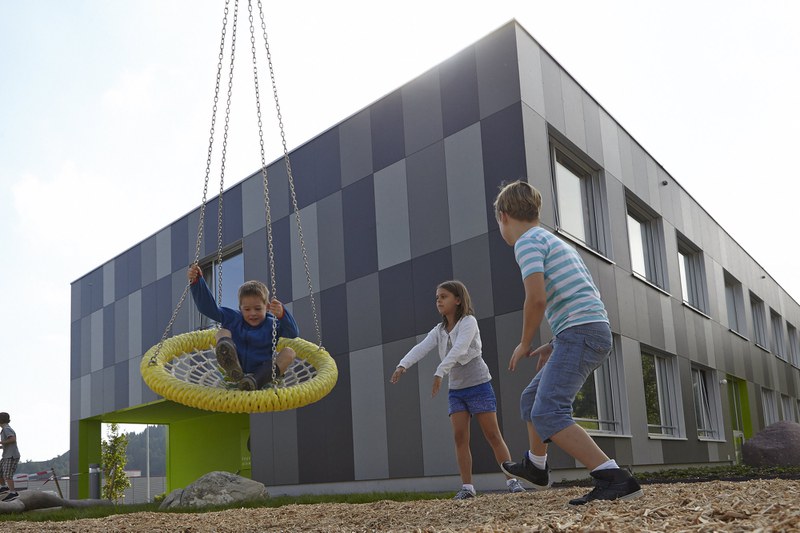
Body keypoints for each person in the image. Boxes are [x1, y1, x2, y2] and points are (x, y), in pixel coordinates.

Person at [493, 180, 643, 505]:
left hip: (581, 331)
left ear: (503, 217)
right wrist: (554, 341)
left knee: (549, 411)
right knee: (531, 399)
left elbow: (536, 299)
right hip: (581, 329)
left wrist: (524, 342)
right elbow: (579, 293)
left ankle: (614, 478)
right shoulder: (554, 241)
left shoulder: (526, 243)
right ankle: (536, 466)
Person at [390, 280, 525, 499]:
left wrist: (440, 371)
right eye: (437, 298)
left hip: (479, 385)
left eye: (443, 296)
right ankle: (468, 488)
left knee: (492, 434)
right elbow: (422, 347)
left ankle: (512, 481)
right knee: (460, 437)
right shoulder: (440, 330)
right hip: (457, 390)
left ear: (458, 299)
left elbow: (461, 348)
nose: (439, 301)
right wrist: (402, 365)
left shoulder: (468, 322)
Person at [188, 263, 300, 391]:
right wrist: (197, 282)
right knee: (222, 331)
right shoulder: (234, 318)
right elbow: (208, 309)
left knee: (289, 352)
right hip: (234, 374)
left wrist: (282, 314)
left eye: (258, 308)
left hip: (263, 375)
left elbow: (293, 333)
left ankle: (253, 380)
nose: (252, 313)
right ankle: (229, 359)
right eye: (247, 309)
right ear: (240, 308)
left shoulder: (272, 324)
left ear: (267, 307)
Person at [0, 412, 20, 502]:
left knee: (8, 475)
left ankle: (13, 492)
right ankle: (4, 487)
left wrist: (1, 442)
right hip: (6, 455)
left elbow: (12, 439)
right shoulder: (4, 429)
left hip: (11, 456)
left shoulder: (6, 429)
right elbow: (8, 442)